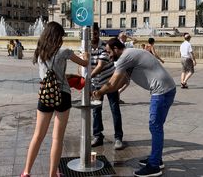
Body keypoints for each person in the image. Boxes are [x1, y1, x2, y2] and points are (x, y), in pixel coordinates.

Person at [92, 38, 176, 177]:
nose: (108, 55)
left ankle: (154, 166)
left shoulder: (125, 56)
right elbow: (122, 81)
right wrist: (104, 91)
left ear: (116, 48)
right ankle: (157, 159)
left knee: (155, 126)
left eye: (108, 52)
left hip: (161, 92)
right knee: (156, 126)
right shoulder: (129, 56)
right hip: (166, 89)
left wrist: (99, 92)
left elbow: (113, 82)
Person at [21, 22, 89, 177]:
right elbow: (84, 63)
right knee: (57, 138)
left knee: (38, 135)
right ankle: (52, 174)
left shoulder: (40, 53)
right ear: (57, 36)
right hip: (63, 95)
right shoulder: (64, 51)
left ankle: (26, 172)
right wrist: (86, 56)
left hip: (45, 95)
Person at [90, 23, 124, 150]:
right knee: (96, 110)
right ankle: (98, 136)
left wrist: (86, 78)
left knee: (114, 109)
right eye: (91, 33)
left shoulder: (106, 46)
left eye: (95, 33)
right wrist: (82, 78)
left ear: (99, 32)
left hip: (110, 83)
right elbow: (82, 64)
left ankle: (118, 137)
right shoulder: (85, 46)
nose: (93, 35)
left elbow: (100, 66)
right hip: (95, 84)